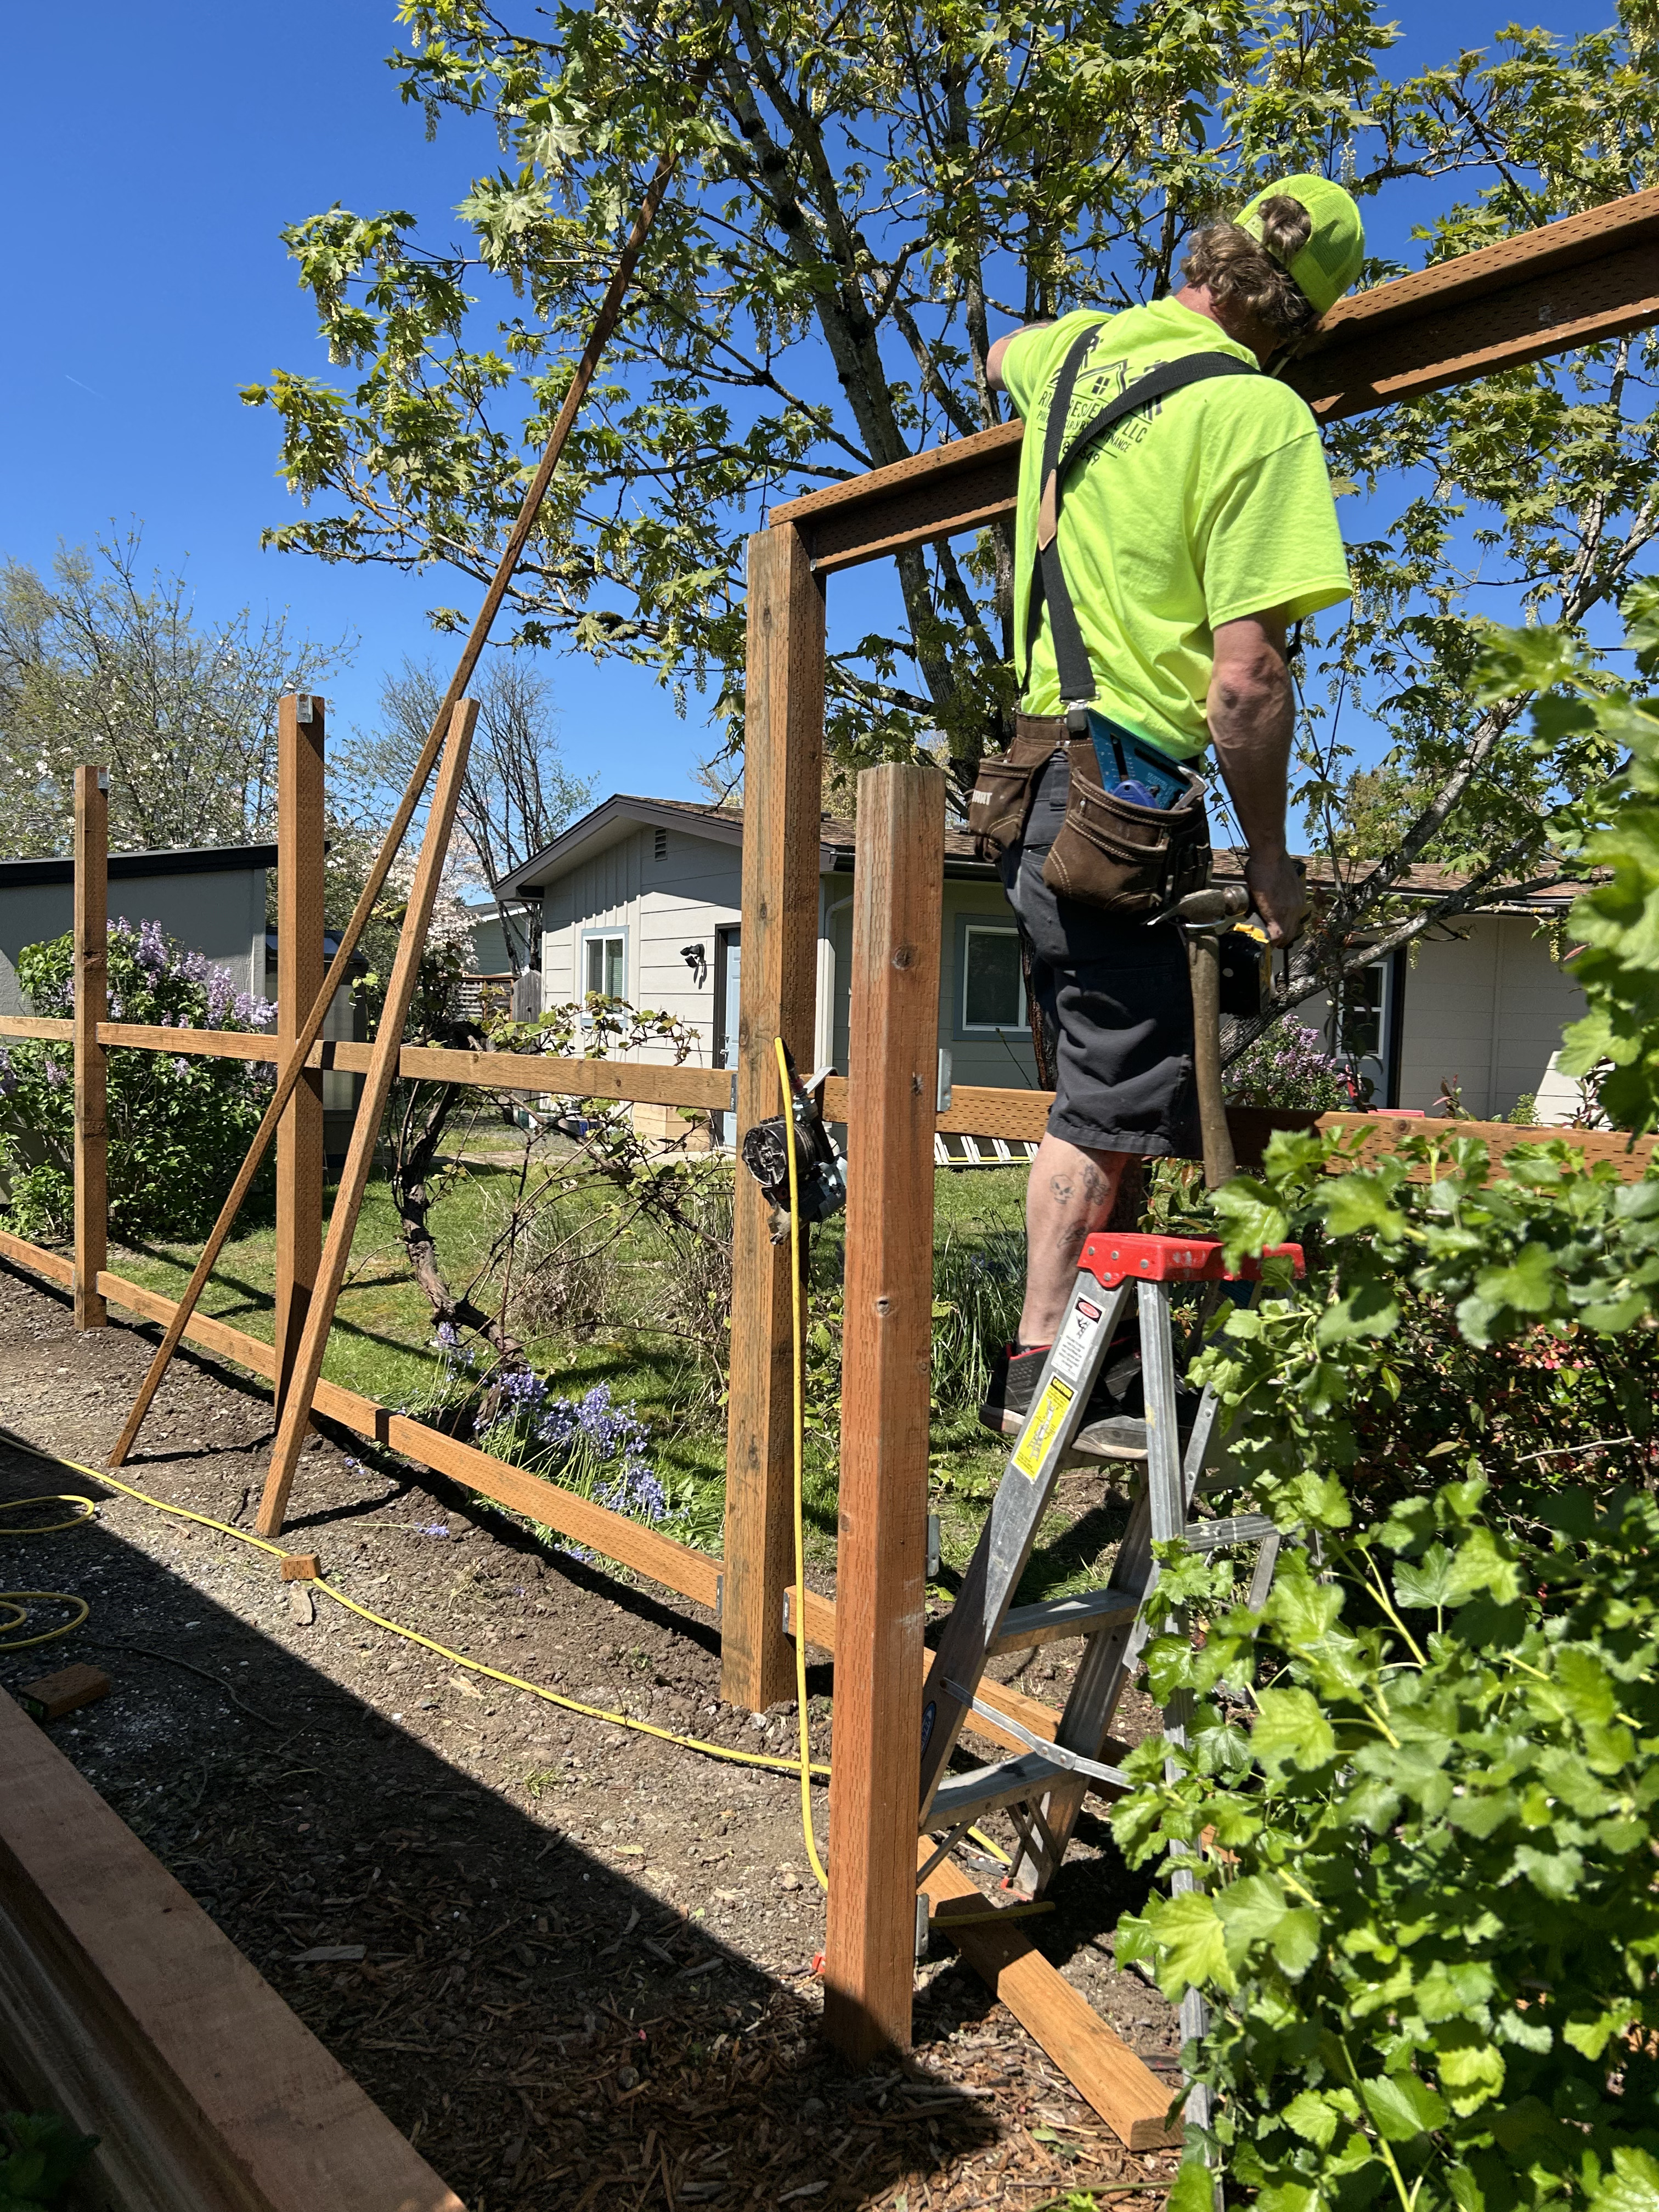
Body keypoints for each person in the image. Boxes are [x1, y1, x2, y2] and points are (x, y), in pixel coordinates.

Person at [977, 175, 1364, 1437]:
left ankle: (1087, 1356)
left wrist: (1053, 361)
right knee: (1115, 1094)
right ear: (1296, 322)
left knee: (1109, 1078)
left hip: (1032, 775)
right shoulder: (1258, 412)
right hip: (1126, 789)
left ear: (1213, 258)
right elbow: (1245, 683)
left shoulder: (1080, 352)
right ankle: (1045, 1370)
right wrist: (1272, 858)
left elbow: (1001, 353)